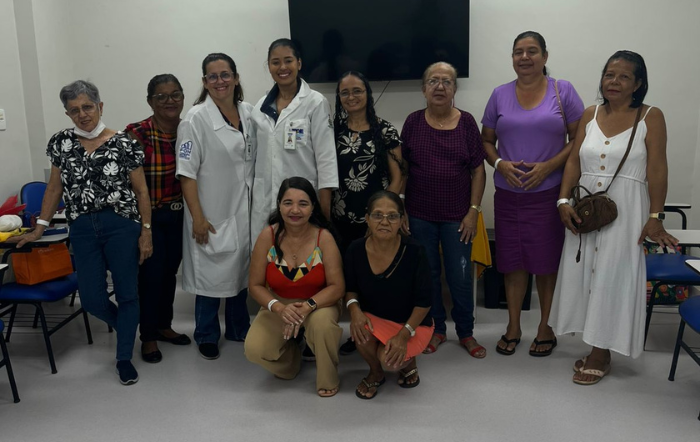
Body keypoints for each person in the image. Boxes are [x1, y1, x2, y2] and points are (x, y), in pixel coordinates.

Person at [11, 80, 152, 385]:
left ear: (100, 106)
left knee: (127, 293)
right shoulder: (61, 143)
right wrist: (39, 228)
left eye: (88, 107)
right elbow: (54, 188)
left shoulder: (124, 143)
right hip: (83, 228)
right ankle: (128, 329)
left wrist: (146, 232)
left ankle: (124, 357)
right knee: (91, 299)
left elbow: (141, 191)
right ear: (67, 113)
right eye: (74, 110)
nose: (83, 114)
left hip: (121, 224)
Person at [550, 51, 677, 384]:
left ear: (638, 83)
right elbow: (574, 161)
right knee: (587, 273)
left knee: (613, 275)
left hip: (628, 209)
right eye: (609, 74)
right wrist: (563, 200)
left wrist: (655, 216)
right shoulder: (590, 114)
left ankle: (600, 352)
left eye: (623, 76)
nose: (614, 82)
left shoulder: (651, 116)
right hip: (587, 208)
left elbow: (658, 169)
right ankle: (597, 345)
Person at [481, 31, 584, 356]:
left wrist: (548, 166)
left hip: (548, 194)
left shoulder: (562, 91)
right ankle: (513, 326)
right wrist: (500, 164)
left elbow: (580, 138)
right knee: (512, 263)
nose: (524, 57)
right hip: (508, 196)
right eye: (518, 52)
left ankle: (545, 328)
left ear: (545, 56)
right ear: (512, 58)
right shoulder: (499, 94)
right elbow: (486, 141)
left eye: (532, 51)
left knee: (546, 264)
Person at [401, 62, 487, 358]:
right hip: (419, 215)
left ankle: (466, 332)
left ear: (455, 89)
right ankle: (435, 330)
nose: (440, 86)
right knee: (428, 276)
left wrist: (474, 211)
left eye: (447, 81)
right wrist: (401, 208)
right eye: (433, 81)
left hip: (458, 218)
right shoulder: (413, 122)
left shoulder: (467, 123)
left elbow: (478, 170)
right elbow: (403, 168)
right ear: (423, 89)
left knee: (460, 277)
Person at [176, 53, 254, 360]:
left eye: (225, 74)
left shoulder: (248, 112)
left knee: (240, 273)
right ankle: (206, 334)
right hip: (210, 213)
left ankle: (237, 327)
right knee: (210, 278)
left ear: (235, 77)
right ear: (205, 82)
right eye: (213, 76)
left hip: (243, 211)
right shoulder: (195, 119)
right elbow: (186, 173)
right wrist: (197, 217)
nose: (220, 81)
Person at [245, 177, 344, 397]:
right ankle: (291, 361)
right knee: (254, 349)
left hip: (319, 303)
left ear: (313, 207)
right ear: (279, 205)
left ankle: (328, 377)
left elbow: (337, 287)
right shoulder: (268, 236)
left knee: (323, 326)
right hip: (280, 303)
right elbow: (255, 285)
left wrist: (308, 306)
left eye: (303, 203)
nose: (295, 210)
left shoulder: (324, 238)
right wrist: (279, 308)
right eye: (288, 203)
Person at [332, 70, 405, 355]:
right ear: (339, 97)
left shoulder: (384, 130)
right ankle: (356, 333)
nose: (351, 97)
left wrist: (383, 216)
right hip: (340, 221)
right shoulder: (333, 130)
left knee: (373, 279)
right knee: (348, 278)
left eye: (357, 91)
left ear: (368, 94)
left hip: (377, 222)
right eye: (345, 92)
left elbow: (398, 177)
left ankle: (380, 332)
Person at [125, 74, 191, 364]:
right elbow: (129, 184)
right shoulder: (137, 133)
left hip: (179, 216)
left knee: (169, 275)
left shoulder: (189, 130)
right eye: (161, 97)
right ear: (150, 101)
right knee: (150, 278)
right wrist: (144, 227)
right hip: (149, 218)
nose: (170, 101)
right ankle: (148, 336)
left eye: (175, 94)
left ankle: (164, 326)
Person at [344, 191, 432, 399]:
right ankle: (376, 372)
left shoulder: (415, 251)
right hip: (375, 319)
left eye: (392, 216)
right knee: (360, 332)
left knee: (390, 361)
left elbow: (424, 302)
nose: (384, 222)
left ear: (401, 220)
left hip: (412, 324)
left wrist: (403, 335)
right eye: (377, 215)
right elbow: (350, 289)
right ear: (367, 218)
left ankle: (408, 362)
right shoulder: (355, 249)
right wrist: (354, 311)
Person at [250, 38, 338, 239]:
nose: (282, 67)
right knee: (266, 253)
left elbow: (326, 159)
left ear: (299, 63)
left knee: (302, 254)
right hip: (265, 201)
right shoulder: (260, 108)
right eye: (275, 62)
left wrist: (325, 211)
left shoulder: (315, 103)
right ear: (269, 67)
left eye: (288, 60)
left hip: (302, 202)